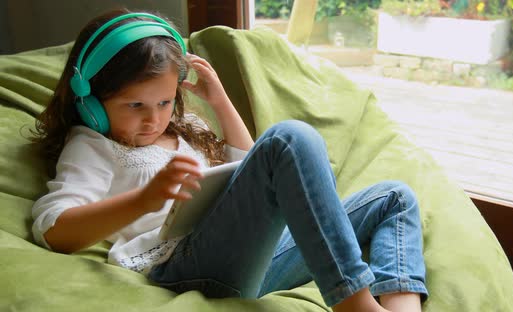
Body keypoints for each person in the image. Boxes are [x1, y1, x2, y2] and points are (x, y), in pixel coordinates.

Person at [29, 9, 428, 312]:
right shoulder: (93, 144)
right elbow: (53, 229)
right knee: (291, 138)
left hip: (251, 257)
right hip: (182, 266)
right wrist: (144, 200)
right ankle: (355, 304)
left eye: (164, 102)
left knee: (394, 198)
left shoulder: (182, 126)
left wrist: (218, 101)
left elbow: (248, 165)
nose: (153, 118)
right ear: (92, 103)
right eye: (135, 105)